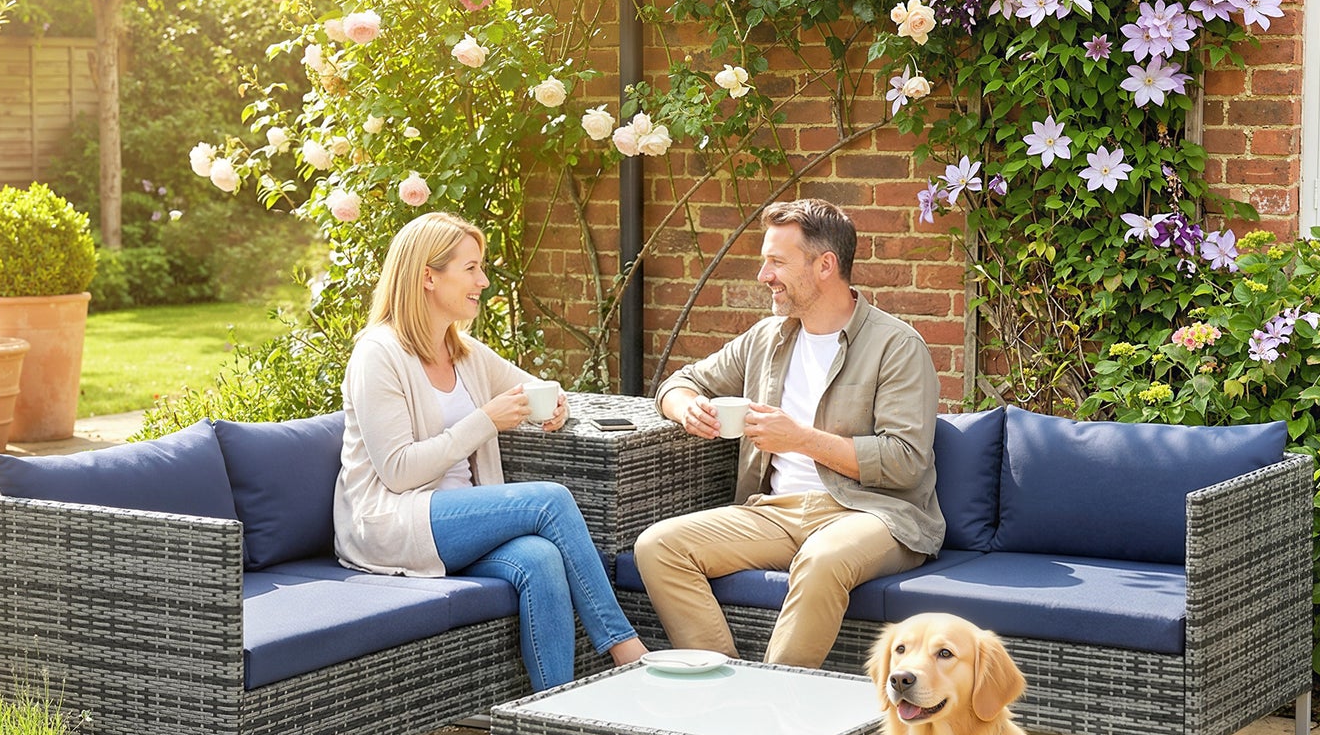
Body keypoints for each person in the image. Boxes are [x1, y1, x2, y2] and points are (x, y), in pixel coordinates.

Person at [334, 211, 646, 692]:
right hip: (393, 523)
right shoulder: (379, 354)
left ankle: (552, 713)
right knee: (550, 500)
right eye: (471, 269)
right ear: (428, 276)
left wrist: (555, 404)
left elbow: (537, 389)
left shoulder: (465, 353)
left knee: (540, 558)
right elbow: (397, 472)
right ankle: (626, 650)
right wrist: (485, 421)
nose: (482, 281)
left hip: (459, 524)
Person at [634, 197, 945, 669]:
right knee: (658, 546)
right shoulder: (767, 337)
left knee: (822, 558)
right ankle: (724, 687)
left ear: (825, 265)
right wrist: (686, 408)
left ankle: (772, 698)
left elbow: (905, 462)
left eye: (777, 262)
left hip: (874, 513)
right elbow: (679, 382)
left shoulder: (896, 346)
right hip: (776, 513)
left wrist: (800, 439)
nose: (764, 275)